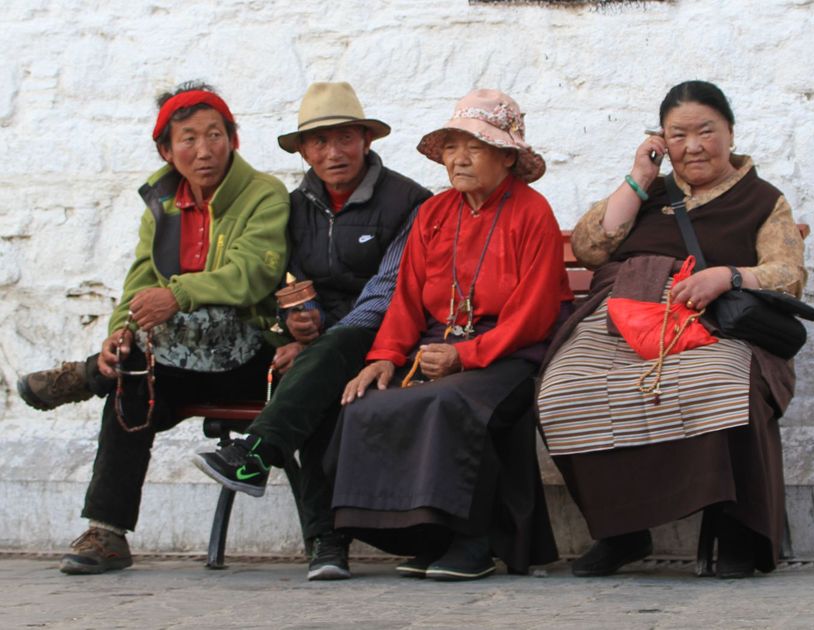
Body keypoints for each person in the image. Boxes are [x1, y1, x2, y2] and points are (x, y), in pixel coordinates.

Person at [16, 81, 290, 574]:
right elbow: (141, 278)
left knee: (134, 369)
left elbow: (255, 274)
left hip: (249, 359)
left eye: (214, 135)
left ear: (234, 139)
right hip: (174, 361)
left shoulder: (263, 194)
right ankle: (107, 533)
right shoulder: (163, 201)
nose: (203, 150)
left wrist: (179, 295)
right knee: (130, 380)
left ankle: (84, 377)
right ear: (166, 149)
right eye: (188, 139)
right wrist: (119, 333)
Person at [537, 80, 807, 579]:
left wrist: (727, 276)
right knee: (562, 390)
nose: (694, 146)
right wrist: (640, 176)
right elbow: (592, 247)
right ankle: (620, 532)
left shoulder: (764, 200)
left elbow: (787, 273)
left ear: (729, 131)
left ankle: (736, 528)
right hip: (620, 315)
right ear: (662, 139)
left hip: (707, 318)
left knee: (726, 385)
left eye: (706, 131)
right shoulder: (649, 191)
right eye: (678, 135)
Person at [327, 89, 573, 581]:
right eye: (452, 146)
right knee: (367, 403)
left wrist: (466, 356)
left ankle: (473, 542)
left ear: (507, 157)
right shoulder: (434, 214)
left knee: (449, 402)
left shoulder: (532, 212)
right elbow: (407, 297)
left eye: (475, 147)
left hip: (512, 353)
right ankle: (426, 536)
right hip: (439, 346)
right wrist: (385, 357)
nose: (458, 159)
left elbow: (534, 312)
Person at [192, 82, 432, 581]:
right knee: (312, 388)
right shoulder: (292, 205)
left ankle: (260, 457)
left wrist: (317, 342)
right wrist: (292, 330)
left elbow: (388, 291)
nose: (333, 152)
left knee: (324, 364)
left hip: (386, 336)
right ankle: (325, 543)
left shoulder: (410, 201)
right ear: (303, 150)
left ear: (366, 140)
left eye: (345, 138)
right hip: (322, 347)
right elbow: (283, 284)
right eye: (319, 142)